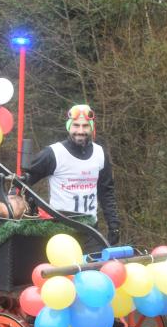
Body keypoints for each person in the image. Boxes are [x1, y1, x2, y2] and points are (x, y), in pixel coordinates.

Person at [20, 104, 120, 251]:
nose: (80, 131)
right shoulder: (53, 153)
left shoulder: (100, 153)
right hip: (61, 230)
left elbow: (106, 192)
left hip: (90, 229)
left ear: (91, 127)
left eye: (85, 126)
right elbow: (23, 182)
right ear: (68, 127)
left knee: (95, 270)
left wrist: (114, 225)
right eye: (76, 125)